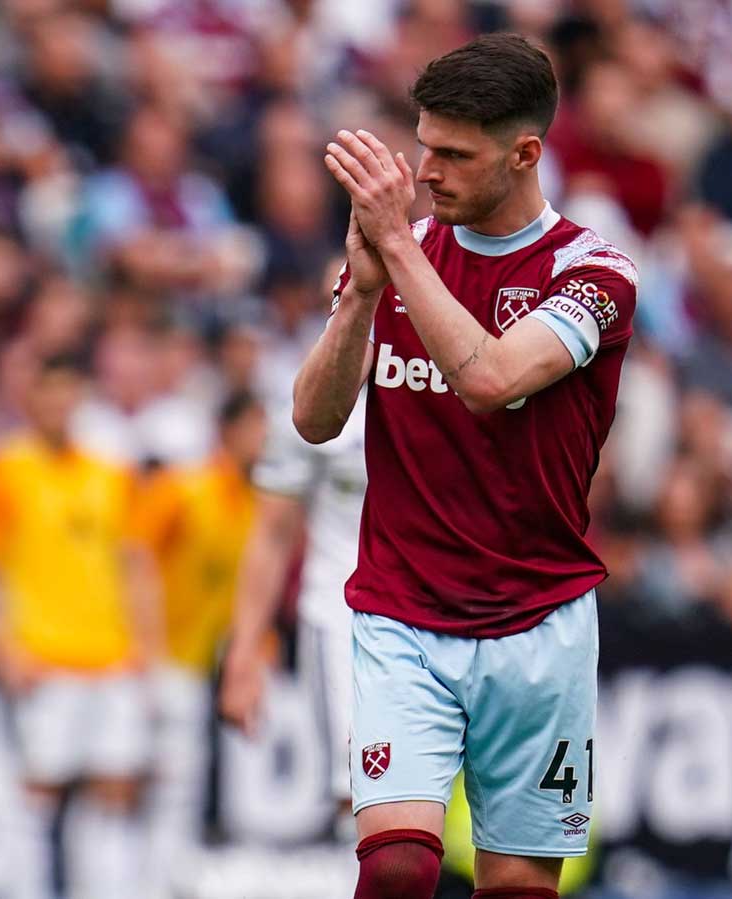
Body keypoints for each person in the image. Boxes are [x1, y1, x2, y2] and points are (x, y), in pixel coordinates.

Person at [301, 34, 638, 899]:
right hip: (403, 612)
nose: (426, 172)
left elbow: (489, 380)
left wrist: (398, 257)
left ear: (525, 153)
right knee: (400, 868)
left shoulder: (593, 272)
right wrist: (364, 294)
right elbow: (313, 417)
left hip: (541, 620)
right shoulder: (402, 248)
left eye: (454, 154)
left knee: (518, 888)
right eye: (424, 145)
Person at [0, 353, 160, 899]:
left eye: (68, 393)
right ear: (30, 399)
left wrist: (146, 651)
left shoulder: (111, 475)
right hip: (44, 660)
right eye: (47, 393)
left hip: (111, 661)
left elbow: (136, 567)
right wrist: (4, 658)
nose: (57, 405)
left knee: (113, 794)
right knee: (36, 797)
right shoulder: (2, 474)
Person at [218, 383, 369, 832]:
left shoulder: (467, 375)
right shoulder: (312, 397)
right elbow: (271, 534)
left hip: (459, 613)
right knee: (361, 799)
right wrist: (243, 655)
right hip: (347, 620)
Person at [137, 390, 265, 881]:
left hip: (215, 657)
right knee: (165, 775)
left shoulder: (257, 498)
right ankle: (148, 880)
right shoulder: (183, 489)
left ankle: (172, 872)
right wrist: (145, 646)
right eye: (255, 427)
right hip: (168, 653)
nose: (265, 440)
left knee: (195, 776)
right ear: (228, 432)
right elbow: (135, 558)